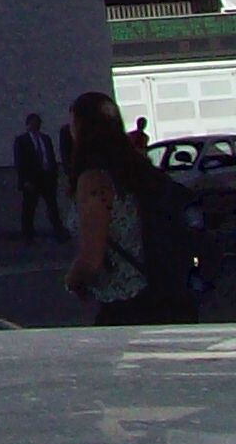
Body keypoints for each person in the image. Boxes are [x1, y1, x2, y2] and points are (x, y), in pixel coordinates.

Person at [64, 89, 200, 324]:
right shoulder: (135, 168)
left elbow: (92, 259)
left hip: (124, 305)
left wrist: (71, 281)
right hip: (161, 291)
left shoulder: (94, 180)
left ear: (81, 127)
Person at [13, 111, 65, 241]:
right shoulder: (22, 141)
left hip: (47, 177)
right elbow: (19, 161)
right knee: (29, 208)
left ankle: (59, 233)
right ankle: (28, 235)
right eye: (34, 123)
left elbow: (50, 156)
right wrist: (24, 180)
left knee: (52, 206)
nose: (36, 125)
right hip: (32, 179)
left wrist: (54, 173)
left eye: (38, 123)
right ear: (28, 124)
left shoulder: (45, 139)